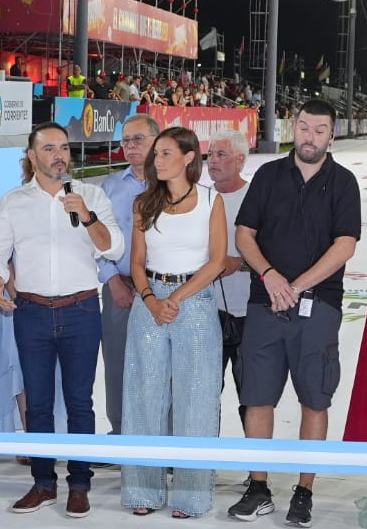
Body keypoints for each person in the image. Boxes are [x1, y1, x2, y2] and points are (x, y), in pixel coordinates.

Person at [228, 99, 360, 527]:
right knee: (257, 398)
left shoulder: (343, 183)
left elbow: (345, 245)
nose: (310, 136)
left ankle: (304, 490)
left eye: (319, 130)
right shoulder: (268, 176)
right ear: (294, 127)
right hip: (264, 304)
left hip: (317, 306)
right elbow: (244, 234)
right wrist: (269, 276)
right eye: (304, 127)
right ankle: (259, 486)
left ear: (331, 135)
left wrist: (296, 285)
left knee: (314, 399)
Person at [0, 122, 122, 518]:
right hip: (31, 313)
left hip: (80, 311)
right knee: (39, 404)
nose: (59, 155)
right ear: (32, 156)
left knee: (80, 403)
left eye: (64, 147)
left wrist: (89, 216)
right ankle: (43, 483)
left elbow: (115, 247)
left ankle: (79, 484)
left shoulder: (91, 195)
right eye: (49, 148)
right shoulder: (14, 201)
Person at [121, 126, 225, 519]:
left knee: (196, 400)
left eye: (166, 153)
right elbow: (136, 262)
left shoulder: (211, 200)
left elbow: (216, 260)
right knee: (142, 397)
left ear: (188, 157)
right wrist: (151, 300)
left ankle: (191, 496)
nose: (158, 160)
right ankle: (142, 491)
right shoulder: (143, 203)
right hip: (148, 306)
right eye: (156, 154)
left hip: (194, 304)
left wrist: (175, 299)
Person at [96, 114, 159, 437]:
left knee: (162, 365)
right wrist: (112, 279)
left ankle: (161, 437)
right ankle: (120, 432)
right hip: (120, 287)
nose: (130, 147)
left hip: (163, 288)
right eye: (125, 141)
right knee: (118, 362)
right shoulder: (108, 187)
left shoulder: (172, 184)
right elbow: (95, 240)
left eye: (138, 140)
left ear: (156, 142)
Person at [206, 129, 250, 428]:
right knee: (205, 395)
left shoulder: (258, 197)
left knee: (253, 396)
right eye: (210, 154)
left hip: (252, 314)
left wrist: (240, 263)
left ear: (240, 160)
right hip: (206, 312)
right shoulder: (198, 198)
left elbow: (277, 253)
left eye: (221, 154)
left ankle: (257, 471)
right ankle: (200, 470)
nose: (213, 161)